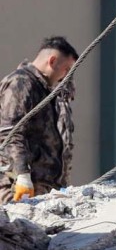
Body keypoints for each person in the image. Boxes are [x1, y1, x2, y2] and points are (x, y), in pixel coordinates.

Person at [0, 37, 78, 201]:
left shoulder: (45, 91)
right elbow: (10, 132)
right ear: (52, 61)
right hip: (16, 187)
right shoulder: (21, 83)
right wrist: (22, 174)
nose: (66, 76)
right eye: (66, 69)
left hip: (42, 189)